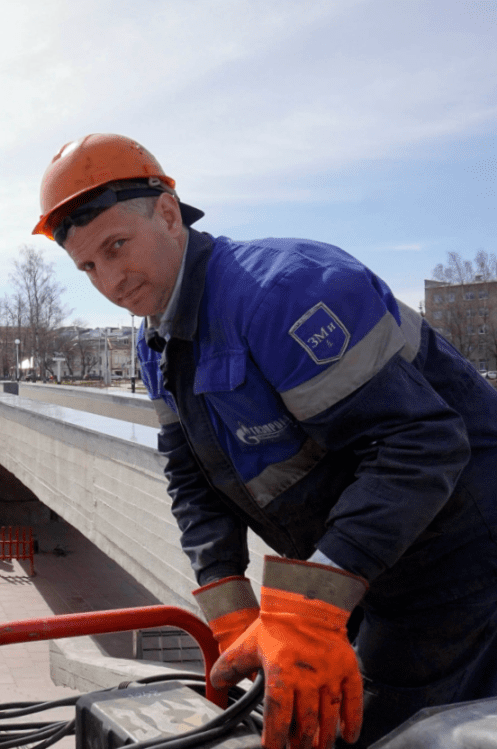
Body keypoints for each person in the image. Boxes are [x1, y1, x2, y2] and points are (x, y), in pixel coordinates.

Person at [32, 133, 497, 748]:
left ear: (168, 214)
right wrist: (230, 605)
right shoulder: (159, 342)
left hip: (460, 553)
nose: (110, 280)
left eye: (117, 247)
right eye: (88, 266)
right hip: (374, 561)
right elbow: (191, 478)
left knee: (381, 730)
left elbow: (420, 445)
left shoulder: (284, 292)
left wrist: (307, 610)